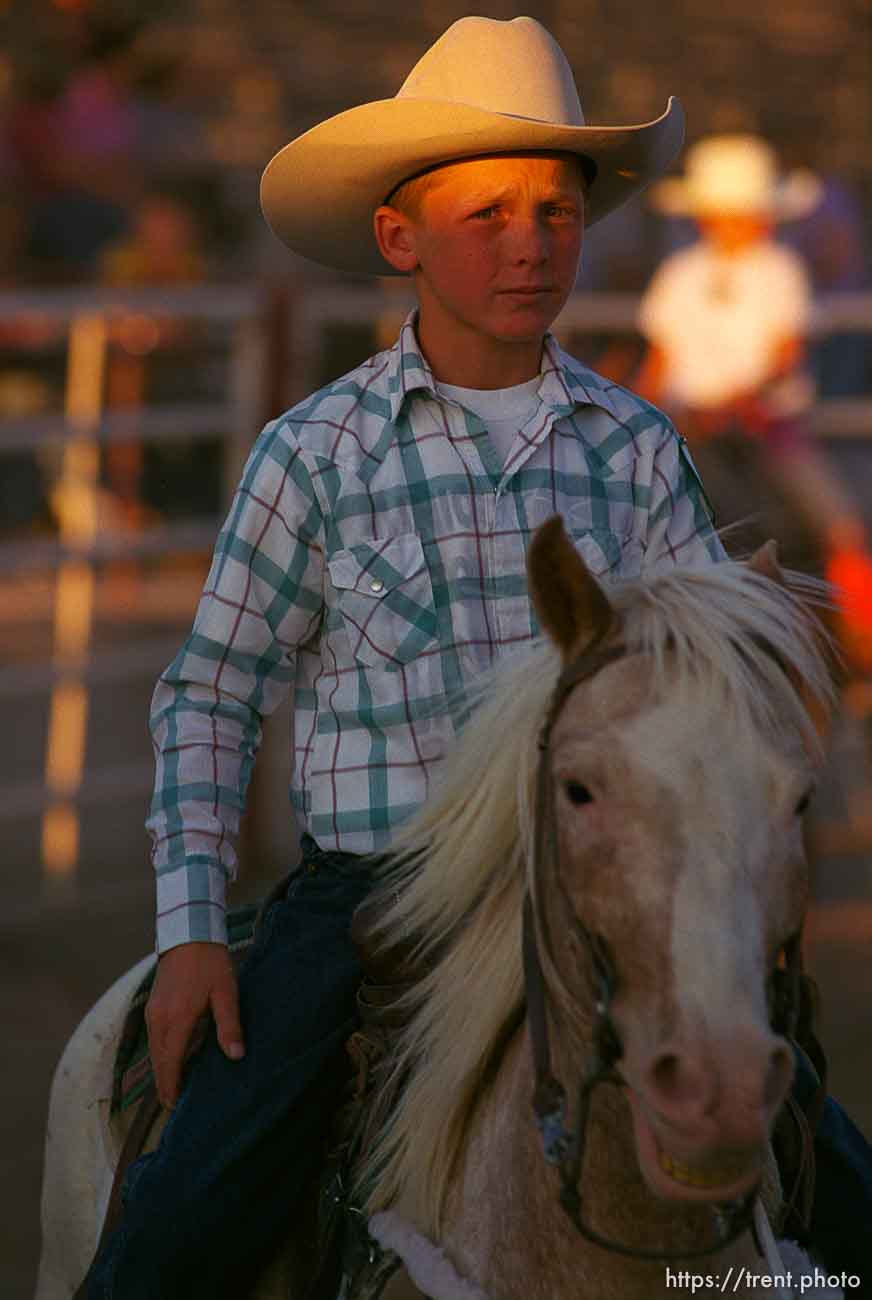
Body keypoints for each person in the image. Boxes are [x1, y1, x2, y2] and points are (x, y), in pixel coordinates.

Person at [80, 20, 870, 1300]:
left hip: (597, 884)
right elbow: (214, 689)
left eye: (555, 211)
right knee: (192, 1206)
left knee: (825, 1181)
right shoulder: (315, 454)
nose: (528, 241)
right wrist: (189, 936)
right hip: (380, 901)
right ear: (399, 239)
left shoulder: (635, 451)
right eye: (486, 211)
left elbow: (704, 695)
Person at [635, 134, 872, 665]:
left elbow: (784, 355)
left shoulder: (775, 271)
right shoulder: (687, 274)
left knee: (841, 527)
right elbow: (662, 362)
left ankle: (860, 645)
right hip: (692, 424)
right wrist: (644, 415)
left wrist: (735, 401)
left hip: (761, 424)